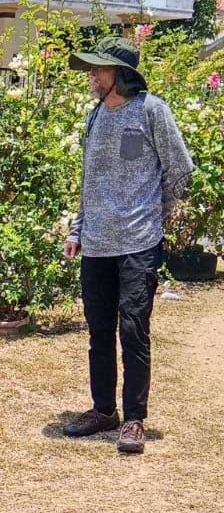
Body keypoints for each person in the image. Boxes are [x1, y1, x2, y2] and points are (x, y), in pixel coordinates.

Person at [62, 36, 192, 455]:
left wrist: (157, 216)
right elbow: (88, 182)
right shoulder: (94, 116)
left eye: (98, 70)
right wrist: (77, 229)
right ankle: (103, 411)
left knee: (133, 330)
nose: (92, 77)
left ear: (120, 73)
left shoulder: (151, 111)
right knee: (99, 332)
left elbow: (180, 170)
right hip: (96, 244)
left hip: (138, 243)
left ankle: (134, 418)